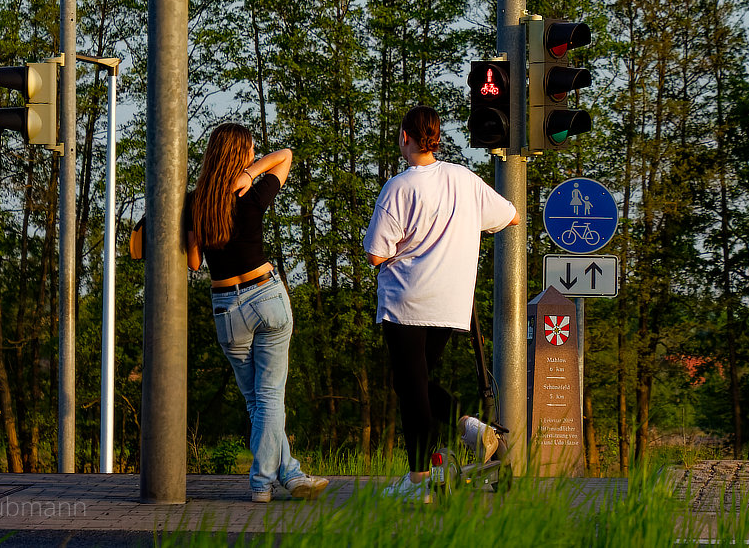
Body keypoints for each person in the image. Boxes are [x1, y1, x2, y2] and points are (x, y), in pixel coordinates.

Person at [362, 106, 521, 502]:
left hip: (407, 301)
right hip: (451, 304)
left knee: (412, 390)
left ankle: (419, 482)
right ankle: (472, 429)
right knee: (415, 384)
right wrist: (461, 225)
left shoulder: (401, 186)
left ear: (405, 137)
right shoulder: (462, 178)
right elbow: (510, 216)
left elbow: (375, 254)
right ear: (435, 137)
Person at [185, 123, 328, 503]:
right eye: (249, 151)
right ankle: (263, 483)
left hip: (226, 309)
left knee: (258, 401)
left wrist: (197, 224)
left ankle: (292, 474)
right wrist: (250, 173)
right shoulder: (252, 191)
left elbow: (195, 263)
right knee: (268, 398)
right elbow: (286, 157)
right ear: (240, 155)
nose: (253, 156)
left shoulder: (196, 201)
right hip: (265, 296)